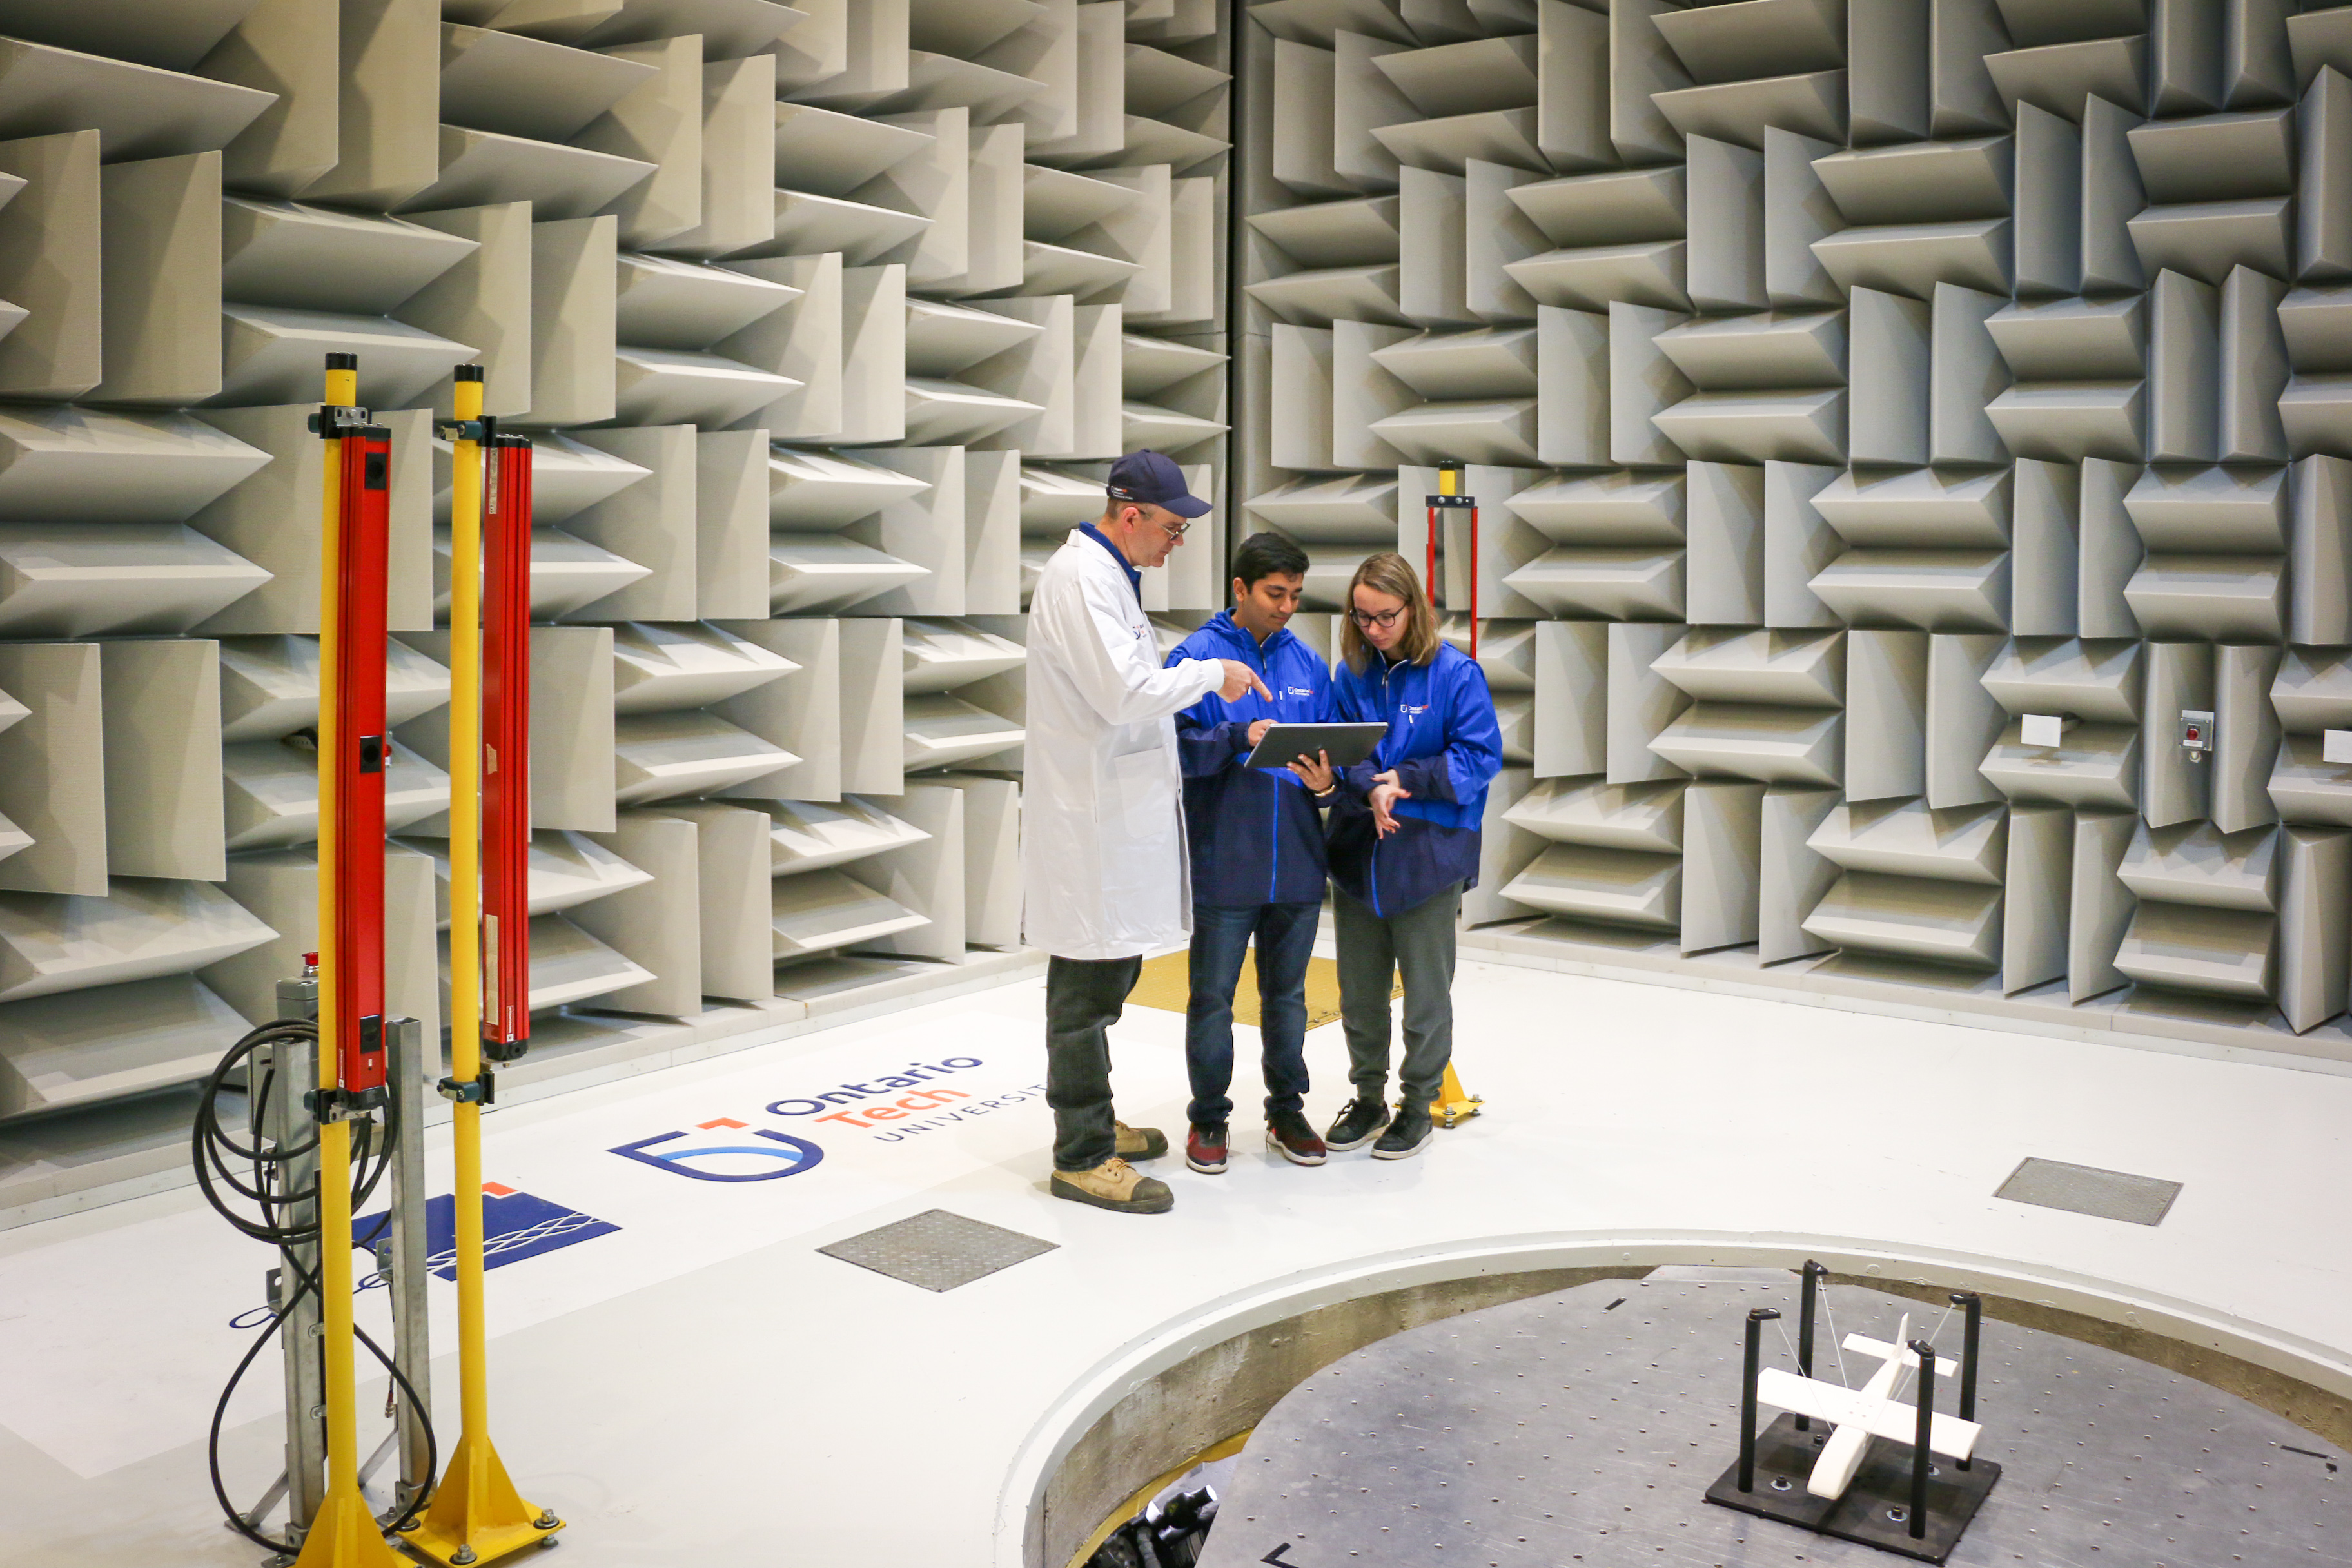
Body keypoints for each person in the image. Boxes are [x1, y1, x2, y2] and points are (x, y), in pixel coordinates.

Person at [1023, 450, 1272, 1215]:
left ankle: (1092, 1117)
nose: (1179, 541)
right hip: (1090, 825)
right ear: (1130, 515)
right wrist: (1212, 675)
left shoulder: (1109, 576)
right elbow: (1125, 692)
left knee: (1113, 974)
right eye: (1172, 526)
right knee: (1086, 988)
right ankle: (1081, 1152)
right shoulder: (1080, 579)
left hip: (1114, 821)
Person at [1295, 552, 1500, 1161]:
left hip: (1428, 856)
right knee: (1359, 995)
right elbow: (1342, 749)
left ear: (1415, 608)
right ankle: (1368, 1097)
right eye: (1361, 618)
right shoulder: (1350, 673)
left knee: (1426, 995)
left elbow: (1478, 758)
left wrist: (1399, 781)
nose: (1374, 629)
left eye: (1385, 616)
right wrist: (1363, 786)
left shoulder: (1456, 674)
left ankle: (1417, 1105)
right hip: (1360, 855)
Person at [1166, 533, 1337, 1176]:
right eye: (1274, 593)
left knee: (1288, 998)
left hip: (1296, 861)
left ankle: (1287, 1111)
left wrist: (1329, 784)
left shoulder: (1309, 665)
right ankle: (1208, 1116)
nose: (1287, 606)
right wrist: (1237, 734)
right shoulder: (1195, 659)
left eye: (1295, 594)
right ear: (1239, 588)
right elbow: (1171, 753)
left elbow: (1330, 760)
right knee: (1212, 998)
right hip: (1224, 861)